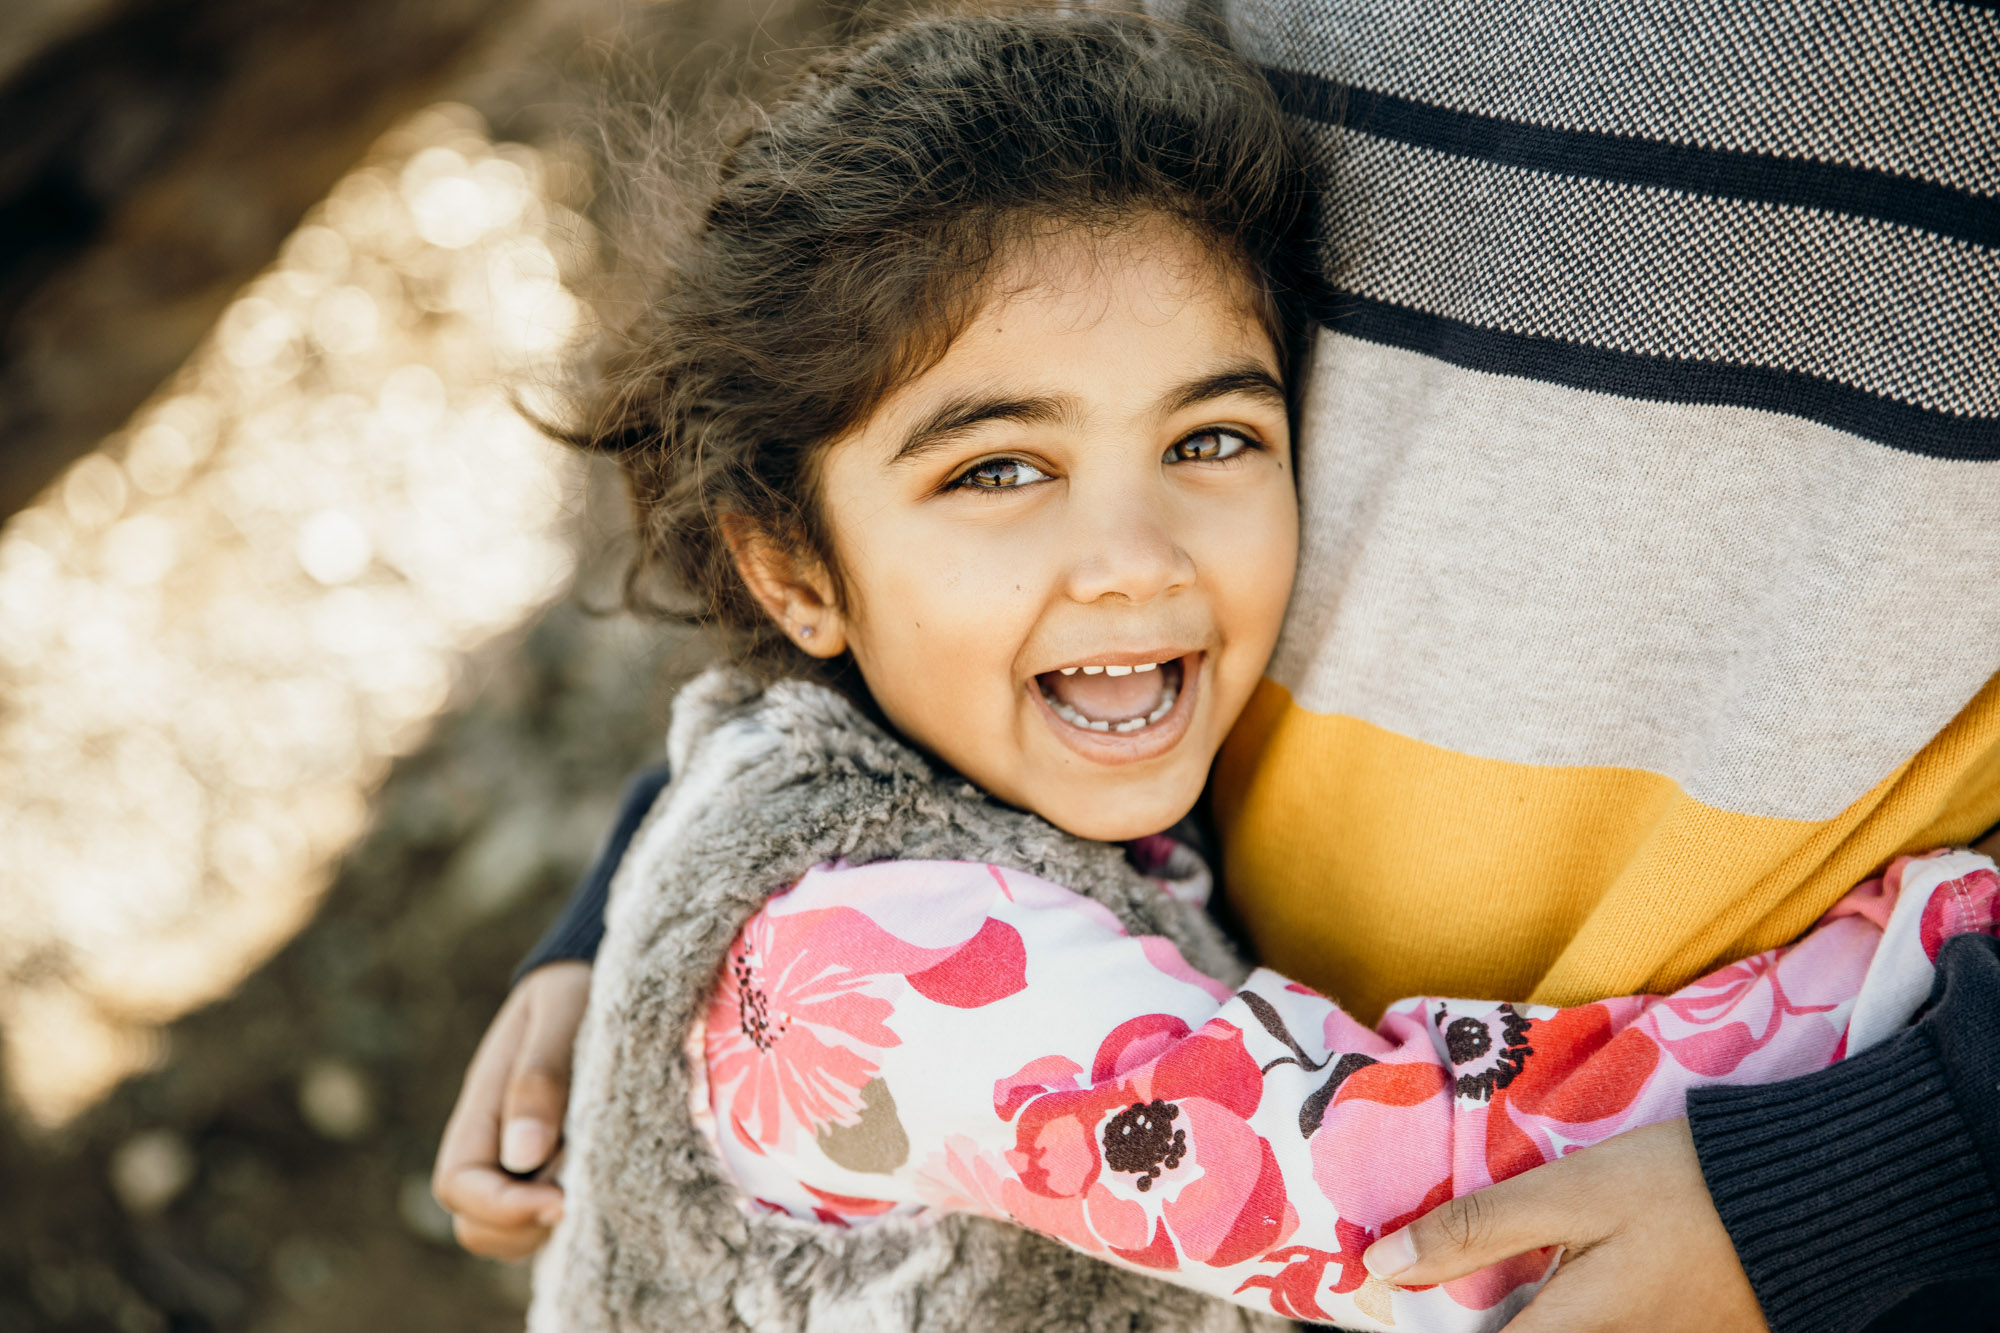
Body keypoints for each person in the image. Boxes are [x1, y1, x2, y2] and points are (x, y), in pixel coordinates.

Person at [435, 3, 2000, 1330]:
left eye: (1214, 438)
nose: (1137, 555)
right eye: (995, 470)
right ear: (792, 569)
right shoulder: (876, 969)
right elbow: (1413, 1204)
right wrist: (1927, 943)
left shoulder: (979, 763)